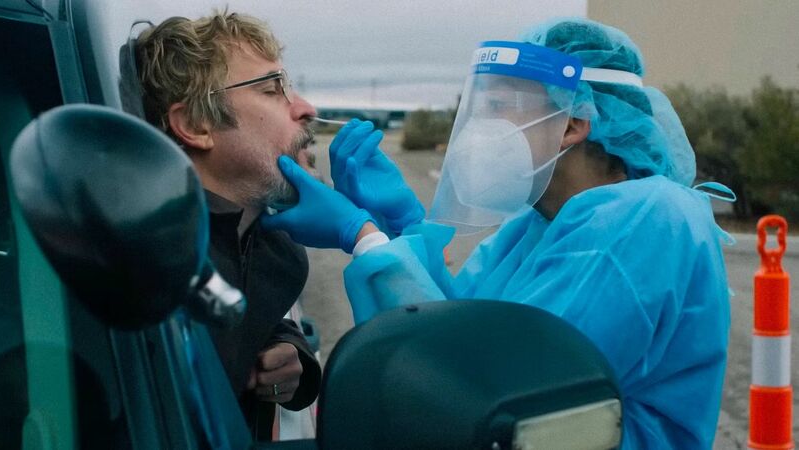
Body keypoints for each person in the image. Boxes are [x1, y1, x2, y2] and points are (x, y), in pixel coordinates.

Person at [261, 18, 731, 449]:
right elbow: (458, 322)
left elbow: (493, 390)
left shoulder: (644, 220)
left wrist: (362, 235)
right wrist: (400, 223)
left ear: (571, 124)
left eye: (500, 107)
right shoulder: (539, 222)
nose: (478, 129)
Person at [134, 11, 322, 440]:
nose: (306, 108)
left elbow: (239, 302)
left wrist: (290, 349)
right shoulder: (148, 262)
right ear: (195, 125)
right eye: (272, 88)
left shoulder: (273, 244)